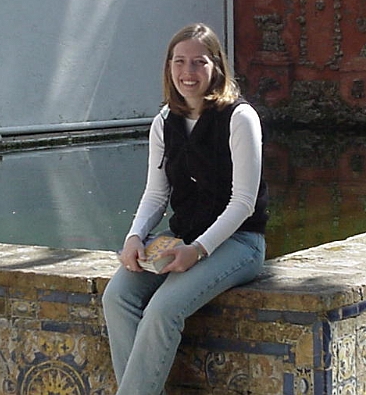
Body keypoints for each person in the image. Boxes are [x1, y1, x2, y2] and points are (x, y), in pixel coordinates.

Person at [102, 23, 269, 395]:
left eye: (198, 62)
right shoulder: (164, 121)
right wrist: (134, 237)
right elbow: (155, 193)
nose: (187, 72)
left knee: (163, 311)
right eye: (179, 61)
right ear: (169, 67)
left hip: (239, 244)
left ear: (216, 67)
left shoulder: (240, 119)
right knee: (118, 297)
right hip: (182, 240)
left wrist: (198, 251)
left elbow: (243, 202)